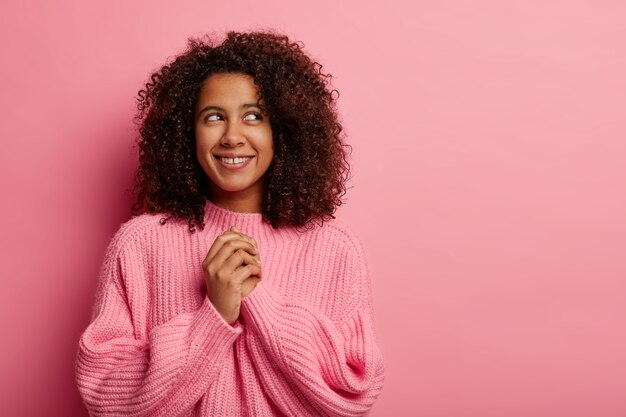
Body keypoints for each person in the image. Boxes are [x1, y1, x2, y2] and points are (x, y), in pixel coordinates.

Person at [75, 30, 385, 416]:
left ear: (283, 131)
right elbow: (106, 395)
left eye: (253, 116)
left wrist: (258, 301)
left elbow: (350, 394)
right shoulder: (140, 245)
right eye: (214, 117)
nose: (233, 136)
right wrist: (214, 317)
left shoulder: (333, 249)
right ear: (187, 132)